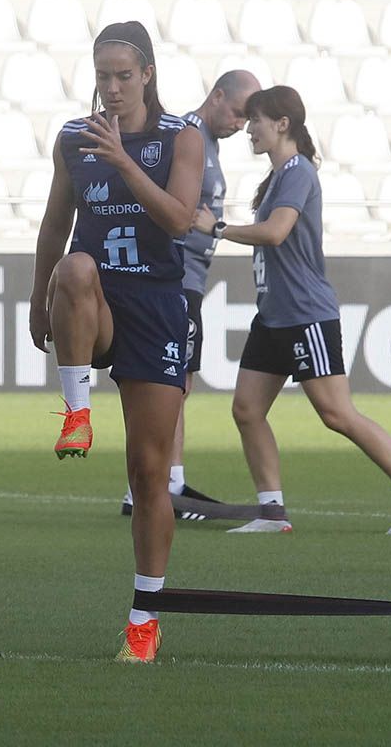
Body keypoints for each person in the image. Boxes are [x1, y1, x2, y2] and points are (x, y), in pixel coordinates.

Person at [188, 85, 391, 536]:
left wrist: (217, 228)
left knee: (336, 413)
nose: (249, 129)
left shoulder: (298, 172)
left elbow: (276, 232)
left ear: (282, 124)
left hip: (305, 315)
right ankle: (271, 512)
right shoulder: (279, 176)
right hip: (274, 317)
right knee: (246, 409)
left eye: (257, 120)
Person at [28, 21, 204, 663]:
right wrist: (35, 302)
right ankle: (76, 412)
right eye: (102, 75)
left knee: (150, 473)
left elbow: (182, 220)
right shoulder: (74, 139)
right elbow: (54, 226)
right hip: (97, 300)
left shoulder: (180, 135)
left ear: (148, 75)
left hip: (157, 305)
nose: (111, 88)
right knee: (73, 266)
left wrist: (124, 159)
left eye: (123, 75)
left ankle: (144, 618)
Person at [120, 69, 262, 518]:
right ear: (217, 96)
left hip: (192, 278)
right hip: (176, 277)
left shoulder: (208, 143)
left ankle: (168, 482)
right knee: (169, 380)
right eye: (238, 113)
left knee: (179, 380)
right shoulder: (183, 135)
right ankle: (154, 487)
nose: (240, 125)